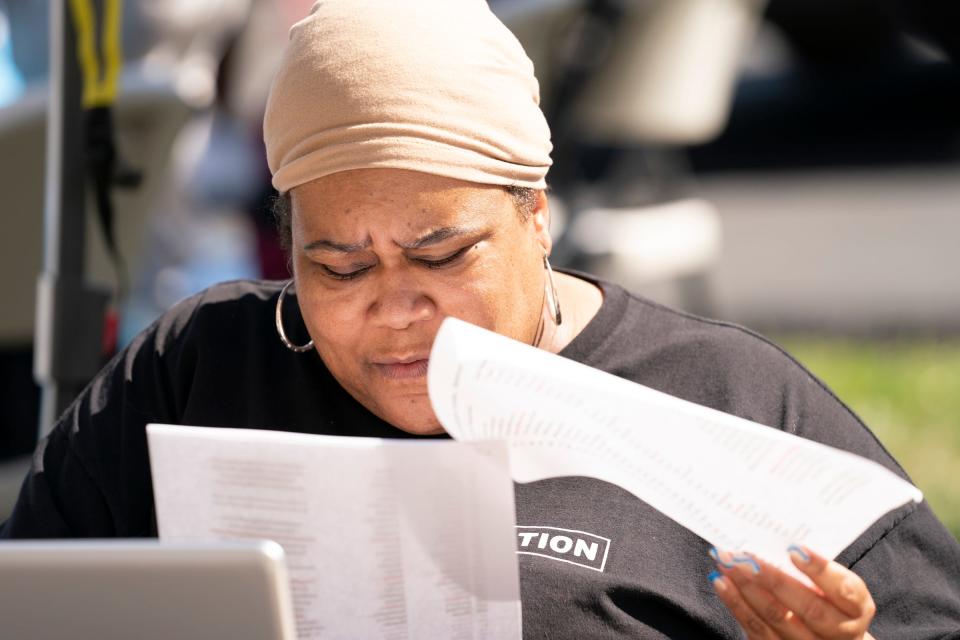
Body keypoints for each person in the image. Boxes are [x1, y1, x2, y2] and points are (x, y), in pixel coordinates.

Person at [3, 1, 960, 638]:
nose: (396, 307)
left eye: (443, 254)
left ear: (535, 215)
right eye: (337, 268)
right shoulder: (196, 372)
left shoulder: (729, 403)